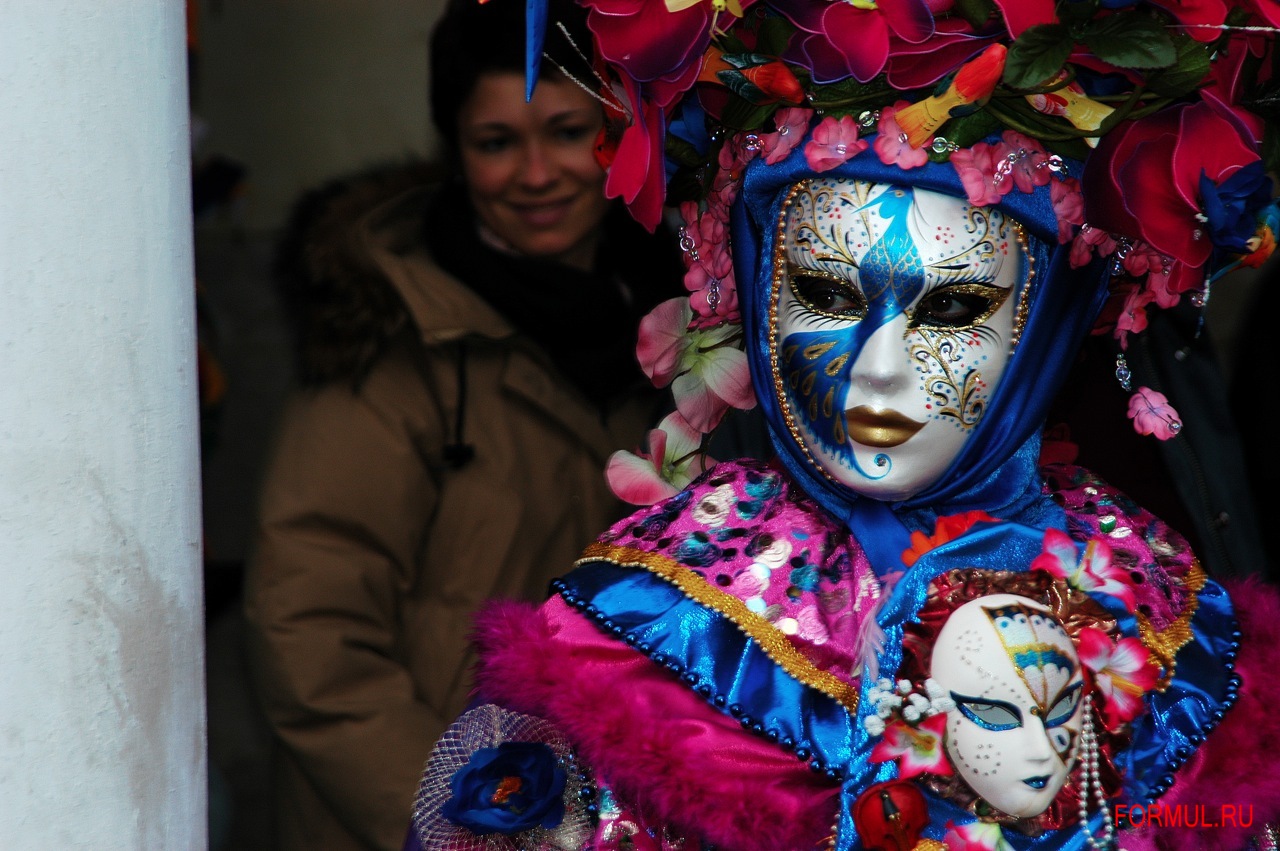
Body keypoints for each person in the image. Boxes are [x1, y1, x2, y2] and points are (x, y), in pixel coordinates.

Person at [405, 3, 1280, 850]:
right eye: (826, 294)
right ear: (759, 291)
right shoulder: (639, 630)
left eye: (954, 308)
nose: (880, 368)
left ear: (1050, 325)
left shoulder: (1163, 626)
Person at [240, 0, 682, 847]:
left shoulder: (680, 326)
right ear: (455, 151)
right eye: (495, 142)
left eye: (567, 131)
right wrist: (465, 819)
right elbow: (311, 634)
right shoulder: (390, 350)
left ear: (620, 133)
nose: (536, 172)